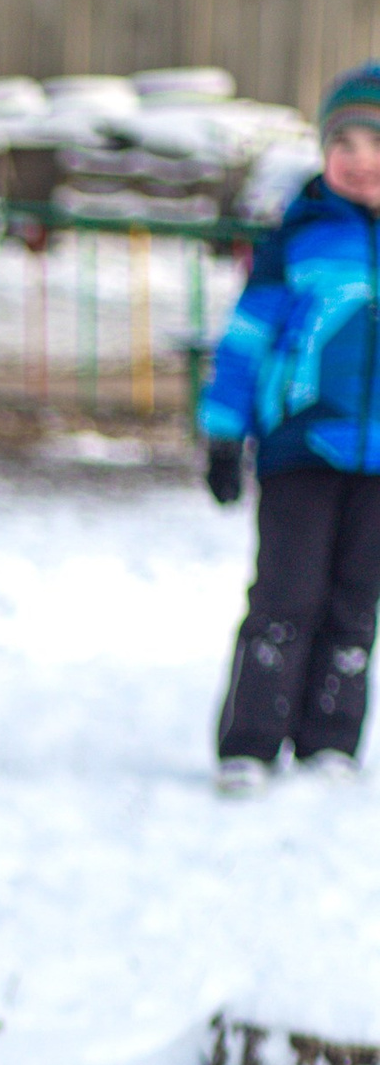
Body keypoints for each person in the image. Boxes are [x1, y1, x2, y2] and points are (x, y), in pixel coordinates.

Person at [200, 64, 380, 787]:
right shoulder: (297, 241)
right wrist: (221, 432)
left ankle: (329, 737)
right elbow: (245, 342)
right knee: (286, 593)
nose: (361, 158)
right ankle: (251, 739)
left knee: (355, 600)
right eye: (346, 142)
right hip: (301, 446)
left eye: (377, 141)